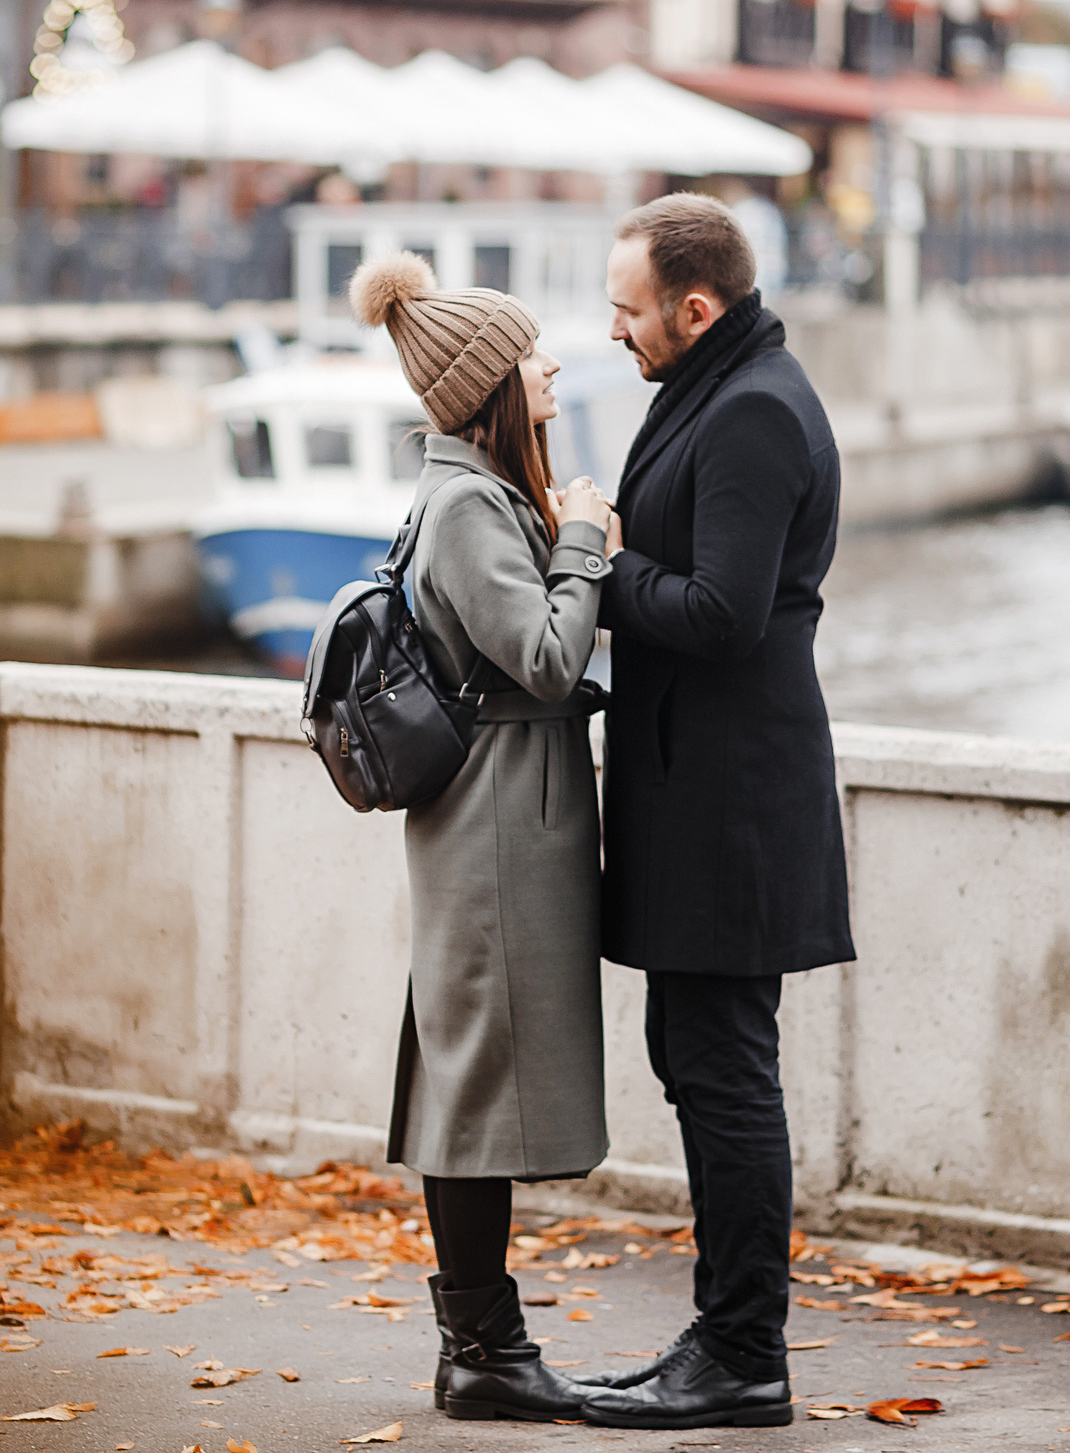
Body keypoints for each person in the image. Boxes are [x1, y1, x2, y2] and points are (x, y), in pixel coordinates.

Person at [576, 193, 854, 1433]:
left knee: (727, 1075)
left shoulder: (750, 410)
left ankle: (744, 1353)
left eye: (631, 311)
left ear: (697, 308)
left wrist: (589, 558)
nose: (616, 330)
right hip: (704, 787)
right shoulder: (719, 385)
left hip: (734, 798)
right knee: (696, 1065)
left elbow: (720, 615)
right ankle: (721, 1333)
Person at [350, 251, 622, 1426]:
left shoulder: (467, 489)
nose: (552, 362)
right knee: (469, 1091)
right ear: (490, 385)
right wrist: (585, 539)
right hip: (495, 823)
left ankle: (486, 1345)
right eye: (531, 353)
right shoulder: (468, 504)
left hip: (496, 812)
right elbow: (549, 657)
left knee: (474, 1082)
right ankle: (481, 1351)